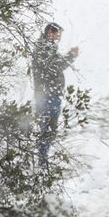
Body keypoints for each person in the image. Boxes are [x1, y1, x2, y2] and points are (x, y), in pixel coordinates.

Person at [31, 21, 77, 168]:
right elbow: (54, 67)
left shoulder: (46, 47)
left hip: (47, 94)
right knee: (47, 128)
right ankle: (42, 162)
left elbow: (54, 65)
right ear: (50, 32)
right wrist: (70, 56)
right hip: (47, 95)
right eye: (58, 33)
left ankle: (42, 161)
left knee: (47, 128)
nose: (60, 37)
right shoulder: (45, 47)